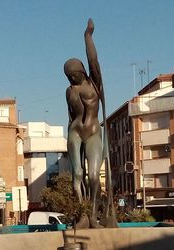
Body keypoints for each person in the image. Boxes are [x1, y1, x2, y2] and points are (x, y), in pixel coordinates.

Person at [64, 18, 103, 226]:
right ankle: (82, 215)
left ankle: (94, 215)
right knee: (77, 173)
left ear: (82, 71)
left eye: (75, 74)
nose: (72, 79)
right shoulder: (69, 91)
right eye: (69, 76)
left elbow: (94, 61)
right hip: (75, 131)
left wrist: (87, 36)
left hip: (94, 131)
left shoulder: (93, 83)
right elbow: (70, 116)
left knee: (94, 176)